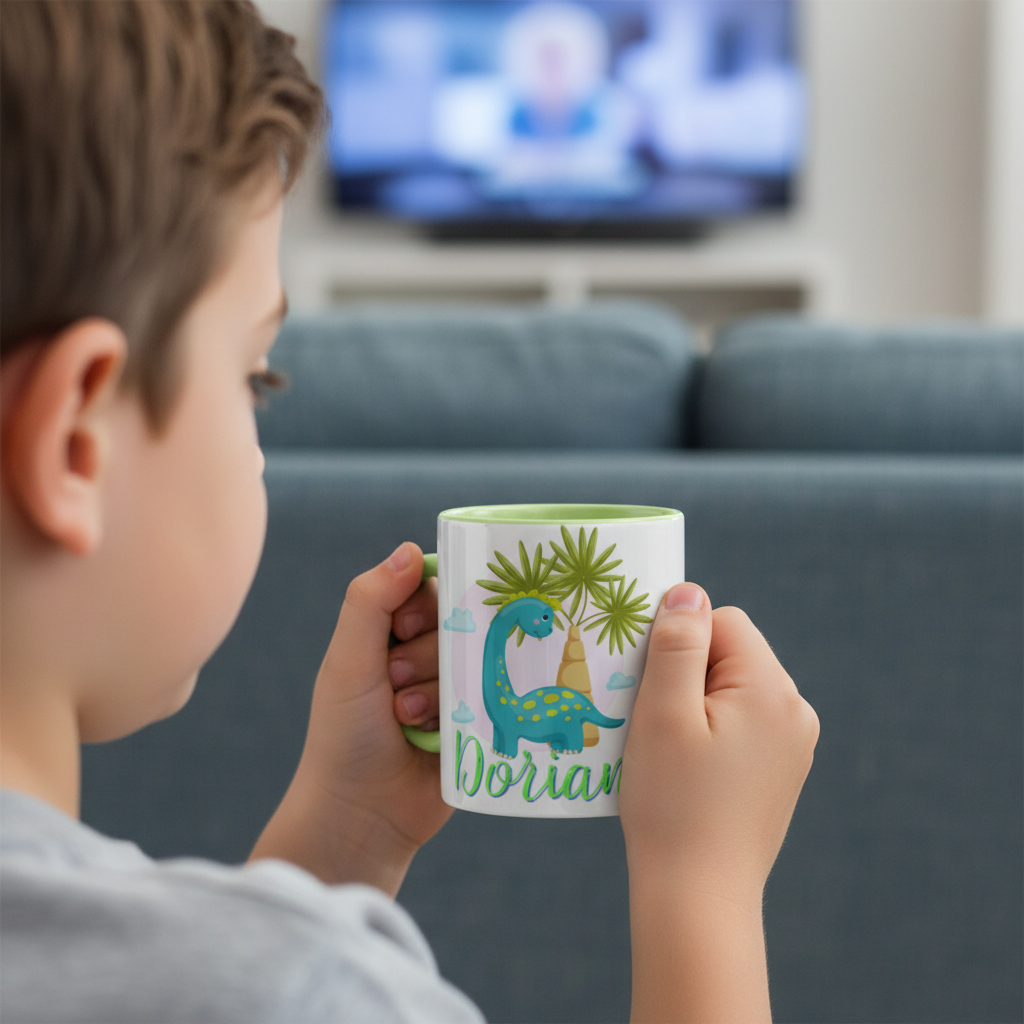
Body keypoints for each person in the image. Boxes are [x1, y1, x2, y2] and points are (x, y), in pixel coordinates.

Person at [0, 3, 819, 1022]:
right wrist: (703, 884)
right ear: (75, 442)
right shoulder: (313, 990)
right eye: (255, 376)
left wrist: (349, 828)